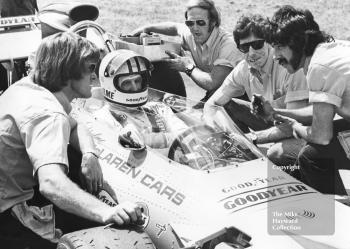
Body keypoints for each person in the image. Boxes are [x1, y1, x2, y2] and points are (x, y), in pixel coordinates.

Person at [0, 32, 143, 248]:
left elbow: (76, 126)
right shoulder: (48, 114)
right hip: (9, 213)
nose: (94, 77)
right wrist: (107, 212)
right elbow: (51, 184)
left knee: (75, 158)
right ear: (68, 71)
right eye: (90, 68)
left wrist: (89, 155)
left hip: (10, 191)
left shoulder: (28, 88)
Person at [258, 5, 350, 195]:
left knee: (311, 156)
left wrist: (295, 128)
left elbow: (321, 136)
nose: (275, 56)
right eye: (273, 47)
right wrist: (276, 112)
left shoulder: (319, 67)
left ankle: (334, 217)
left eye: (280, 47)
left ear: (299, 42)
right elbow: (320, 112)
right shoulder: (330, 51)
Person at [204, 14, 309, 166]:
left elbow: (292, 126)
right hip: (275, 123)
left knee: (277, 153)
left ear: (270, 42)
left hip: (302, 131)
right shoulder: (243, 69)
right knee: (228, 106)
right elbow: (212, 103)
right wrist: (211, 130)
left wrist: (250, 138)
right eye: (244, 47)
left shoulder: (290, 67)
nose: (251, 52)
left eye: (257, 44)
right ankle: (244, 160)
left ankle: (298, 177)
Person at [130, 0, 242, 103]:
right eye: (190, 23)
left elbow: (212, 83)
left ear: (213, 22)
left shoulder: (228, 45)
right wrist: (147, 28)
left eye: (200, 22)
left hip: (238, 98)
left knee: (199, 120)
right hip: (215, 94)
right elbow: (175, 27)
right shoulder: (191, 33)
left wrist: (188, 67)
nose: (195, 28)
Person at [91, 49, 188, 154]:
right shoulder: (101, 119)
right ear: (110, 85)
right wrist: (168, 139)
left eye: (137, 81)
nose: (135, 87)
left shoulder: (159, 108)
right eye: (127, 83)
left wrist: (147, 140)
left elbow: (186, 137)